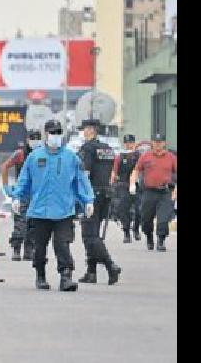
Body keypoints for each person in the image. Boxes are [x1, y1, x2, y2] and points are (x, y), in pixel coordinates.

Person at [11, 119, 94, 292]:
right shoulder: (35, 157)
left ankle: (66, 276)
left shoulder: (71, 158)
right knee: (39, 246)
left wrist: (88, 201)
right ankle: (40, 275)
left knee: (62, 244)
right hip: (39, 212)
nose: (55, 136)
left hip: (63, 211)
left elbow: (80, 182)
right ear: (45, 135)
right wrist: (17, 197)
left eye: (58, 132)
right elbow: (24, 180)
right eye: (52, 133)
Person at [76, 119, 121, 285]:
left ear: (92, 130)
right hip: (106, 195)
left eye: (86, 129)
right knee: (94, 234)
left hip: (92, 195)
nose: (84, 132)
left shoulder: (87, 148)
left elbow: (83, 173)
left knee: (89, 235)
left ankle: (111, 265)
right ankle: (91, 272)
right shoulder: (107, 149)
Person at [130, 133, 177, 251]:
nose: (157, 145)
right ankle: (149, 236)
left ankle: (161, 241)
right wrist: (132, 183)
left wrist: (176, 190)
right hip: (149, 192)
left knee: (163, 218)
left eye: (160, 142)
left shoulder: (171, 157)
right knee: (146, 218)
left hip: (165, 192)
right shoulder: (146, 156)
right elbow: (136, 170)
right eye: (155, 142)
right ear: (152, 143)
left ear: (164, 143)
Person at [1, 129, 42, 261]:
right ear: (27, 140)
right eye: (32, 138)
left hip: (37, 194)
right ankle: (16, 249)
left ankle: (29, 251)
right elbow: (5, 166)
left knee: (35, 223)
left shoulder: (43, 154)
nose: (34, 141)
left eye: (37, 138)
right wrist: (6, 186)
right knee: (20, 222)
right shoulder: (20, 154)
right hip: (22, 193)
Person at [111, 134, 141, 243]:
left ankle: (136, 228)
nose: (129, 145)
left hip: (137, 186)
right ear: (124, 144)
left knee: (139, 209)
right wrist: (113, 180)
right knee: (123, 210)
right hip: (123, 185)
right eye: (127, 143)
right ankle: (126, 232)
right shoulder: (120, 156)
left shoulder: (139, 155)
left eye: (131, 142)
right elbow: (114, 171)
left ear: (134, 143)